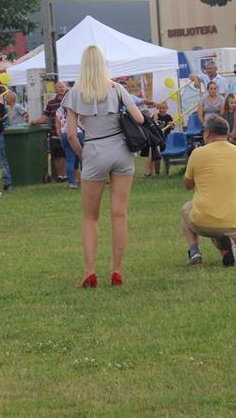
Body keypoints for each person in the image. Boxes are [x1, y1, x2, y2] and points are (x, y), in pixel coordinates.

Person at [62, 45, 144, 288]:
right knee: (119, 213)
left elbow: (71, 135)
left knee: (90, 217)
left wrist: (83, 155)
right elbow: (139, 118)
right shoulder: (117, 89)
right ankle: (117, 270)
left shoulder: (74, 93)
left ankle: (90, 272)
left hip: (94, 150)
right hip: (121, 150)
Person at [181, 116, 236, 267]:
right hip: (232, 222)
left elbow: (188, 185)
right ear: (227, 133)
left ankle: (194, 252)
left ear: (207, 133)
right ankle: (234, 249)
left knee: (186, 208)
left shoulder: (198, 153)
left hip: (202, 220)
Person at [31, 81, 68, 182]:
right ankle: (60, 175)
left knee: (66, 155)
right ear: (55, 89)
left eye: (63, 87)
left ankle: (66, 175)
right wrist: (35, 122)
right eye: (59, 87)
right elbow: (44, 116)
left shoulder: (70, 101)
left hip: (67, 133)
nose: (62, 89)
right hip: (54, 133)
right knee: (57, 155)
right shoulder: (51, 103)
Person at [56, 104, 83, 188]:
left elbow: (58, 127)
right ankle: (86, 180)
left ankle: (72, 182)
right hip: (79, 133)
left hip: (65, 134)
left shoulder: (59, 110)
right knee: (83, 158)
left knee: (69, 160)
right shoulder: (78, 107)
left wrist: (61, 137)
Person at [146, 103, 174, 176]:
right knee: (157, 155)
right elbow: (151, 125)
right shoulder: (155, 116)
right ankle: (157, 171)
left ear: (167, 108)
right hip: (157, 138)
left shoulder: (169, 117)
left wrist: (171, 125)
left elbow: (172, 128)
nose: (162, 110)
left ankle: (167, 170)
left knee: (166, 155)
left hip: (165, 138)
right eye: (160, 108)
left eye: (164, 108)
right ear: (158, 109)